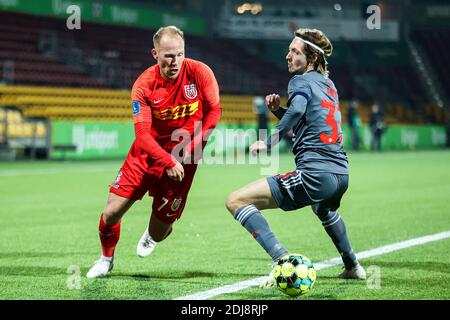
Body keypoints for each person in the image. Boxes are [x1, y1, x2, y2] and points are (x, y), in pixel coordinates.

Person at [225, 28, 366, 286]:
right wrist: (279, 110)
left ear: (311, 58)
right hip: (341, 173)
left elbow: (299, 108)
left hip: (315, 173)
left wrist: (269, 141)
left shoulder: (299, 81)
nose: (287, 55)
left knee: (236, 200)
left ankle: (282, 261)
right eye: (289, 50)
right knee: (323, 208)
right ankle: (352, 265)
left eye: (294, 51)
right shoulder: (328, 85)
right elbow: (303, 119)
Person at [87, 26, 222, 278]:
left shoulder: (200, 72)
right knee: (112, 212)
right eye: (169, 56)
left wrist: (191, 148)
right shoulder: (144, 85)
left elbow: (214, 111)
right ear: (155, 54)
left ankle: (152, 234)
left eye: (180, 54)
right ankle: (106, 259)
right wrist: (167, 159)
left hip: (185, 159)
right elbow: (143, 135)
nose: (175, 61)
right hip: (147, 155)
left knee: (160, 231)